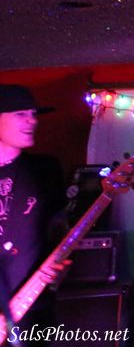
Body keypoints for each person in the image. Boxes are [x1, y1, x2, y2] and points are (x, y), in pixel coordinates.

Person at [0, 84, 68, 343]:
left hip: (33, 306)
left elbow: (59, 229)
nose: (33, 121)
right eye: (20, 114)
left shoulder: (45, 170)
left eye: (33, 114)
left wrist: (61, 268)